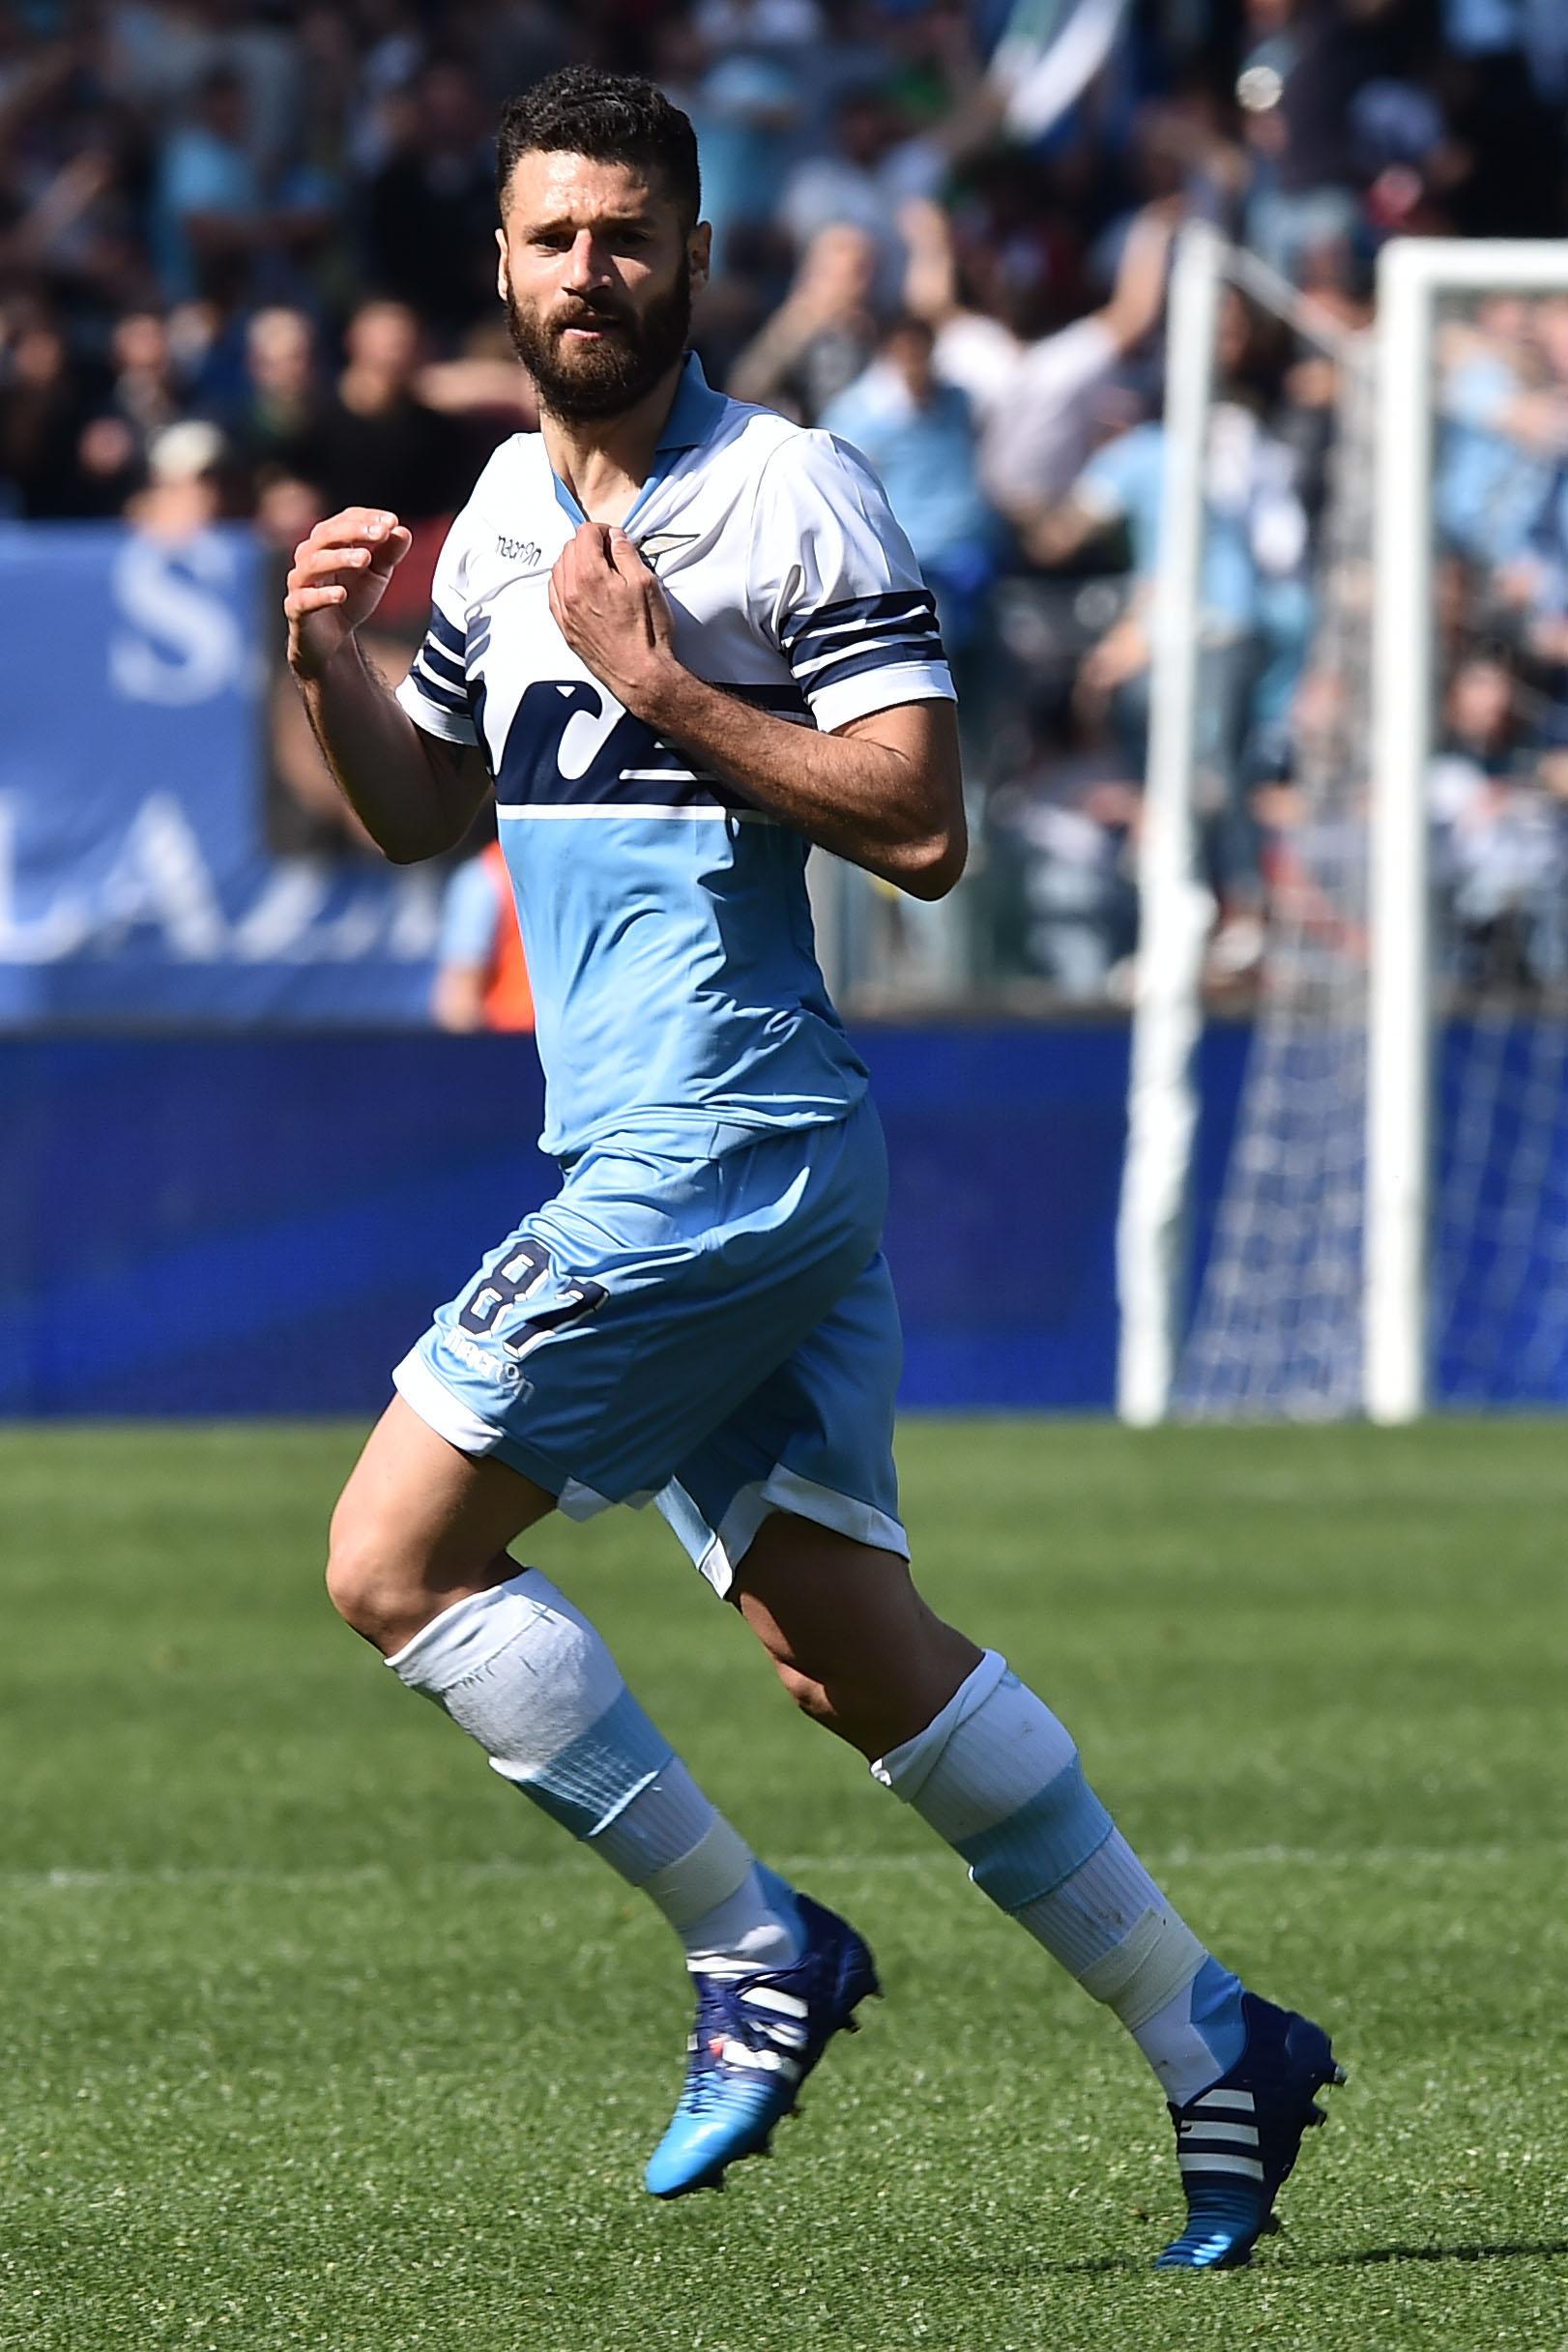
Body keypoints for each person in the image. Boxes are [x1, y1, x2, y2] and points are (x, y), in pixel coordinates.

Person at [283, 67, 1341, 2272]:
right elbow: (417, 814)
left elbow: (924, 824)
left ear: (696, 254)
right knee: (844, 1647)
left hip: (724, 1135)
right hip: (693, 1148)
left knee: (390, 1555)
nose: (591, 270)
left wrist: (666, 684)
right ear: (501, 263)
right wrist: (329, 665)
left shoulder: (791, 493)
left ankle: (756, 1945)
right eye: (554, 236)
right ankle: (1211, 2032)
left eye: (628, 234)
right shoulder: (498, 508)